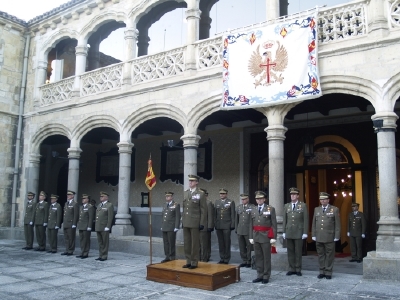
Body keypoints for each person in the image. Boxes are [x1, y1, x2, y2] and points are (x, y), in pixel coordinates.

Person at [312, 192, 341, 279]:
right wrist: (313, 234)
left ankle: (328, 271)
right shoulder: (317, 209)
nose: (323, 201)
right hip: (319, 236)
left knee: (329, 255)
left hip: (329, 236)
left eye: (324, 199)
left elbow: (337, 224)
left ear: (328, 200)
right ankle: (322, 271)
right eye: (321, 199)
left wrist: (337, 235)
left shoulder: (334, 209)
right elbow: (314, 222)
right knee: (320, 254)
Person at [249, 191, 277, 284]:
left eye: (261, 198)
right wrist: (250, 237)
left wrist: (273, 237)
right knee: (258, 257)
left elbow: (274, 224)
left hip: (266, 236)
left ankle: (266, 275)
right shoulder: (253, 209)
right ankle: (259, 275)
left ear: (264, 199)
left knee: (266, 257)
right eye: (257, 199)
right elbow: (250, 224)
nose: (259, 200)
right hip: (256, 235)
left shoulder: (270, 209)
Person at [182, 174, 207, 269]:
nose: (190, 182)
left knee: (194, 244)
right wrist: (182, 220)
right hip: (186, 221)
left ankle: (194, 262)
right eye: (189, 181)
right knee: (187, 243)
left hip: (195, 222)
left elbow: (203, 210)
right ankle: (188, 261)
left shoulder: (200, 193)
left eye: (192, 181)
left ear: (196, 182)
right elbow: (184, 208)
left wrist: (202, 223)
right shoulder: (186, 193)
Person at [282, 187, 309, 276]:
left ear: (298, 196)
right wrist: (284, 231)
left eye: (294, 194)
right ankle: (291, 268)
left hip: (298, 232)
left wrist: (305, 232)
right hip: (289, 231)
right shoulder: (287, 206)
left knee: (298, 252)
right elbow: (285, 219)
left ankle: (298, 269)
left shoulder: (303, 205)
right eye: (291, 194)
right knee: (290, 251)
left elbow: (305, 219)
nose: (292, 196)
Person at [214, 188, 235, 264]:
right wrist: (215, 223)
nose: (222, 195)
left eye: (223, 194)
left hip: (227, 225)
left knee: (226, 242)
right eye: (220, 194)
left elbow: (232, 214)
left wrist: (232, 224)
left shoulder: (230, 202)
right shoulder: (217, 202)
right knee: (220, 242)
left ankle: (226, 258)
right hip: (219, 225)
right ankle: (222, 257)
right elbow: (215, 214)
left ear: (226, 194)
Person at [160, 192, 181, 263]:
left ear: (172, 197)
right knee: (165, 242)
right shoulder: (164, 205)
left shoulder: (176, 205)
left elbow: (178, 216)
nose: (167, 198)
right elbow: (163, 216)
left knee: (171, 242)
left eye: (168, 196)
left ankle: (172, 257)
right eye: (166, 196)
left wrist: (176, 226)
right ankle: (167, 256)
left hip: (171, 227)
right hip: (165, 227)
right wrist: (162, 225)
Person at [235, 193, 254, 268]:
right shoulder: (239, 207)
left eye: (245, 199)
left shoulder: (252, 207)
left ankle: (249, 260)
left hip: (248, 230)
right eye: (242, 199)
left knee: (249, 246)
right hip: (240, 229)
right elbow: (236, 219)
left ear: (248, 199)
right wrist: (236, 228)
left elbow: (252, 219)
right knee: (241, 246)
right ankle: (244, 260)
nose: (243, 201)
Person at [95, 191, 114, 261]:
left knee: (105, 242)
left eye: (102, 196)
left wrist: (108, 226)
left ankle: (104, 255)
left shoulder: (109, 205)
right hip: (99, 226)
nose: (101, 197)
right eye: (100, 196)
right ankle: (100, 255)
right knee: (100, 242)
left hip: (104, 227)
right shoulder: (99, 205)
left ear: (106, 197)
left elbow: (110, 217)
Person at [76, 194, 95, 259]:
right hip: (81, 225)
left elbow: (90, 217)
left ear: (87, 200)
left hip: (86, 226)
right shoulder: (81, 207)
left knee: (86, 240)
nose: (82, 200)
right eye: (82, 199)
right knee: (81, 240)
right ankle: (82, 252)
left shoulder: (90, 207)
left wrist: (89, 226)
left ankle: (85, 253)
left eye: (84, 199)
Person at [62, 190, 79, 256]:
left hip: (71, 223)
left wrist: (74, 223)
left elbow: (76, 214)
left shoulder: (75, 204)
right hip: (66, 223)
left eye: (69, 195)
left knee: (71, 238)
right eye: (67, 195)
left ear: (72, 196)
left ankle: (71, 250)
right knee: (66, 237)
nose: (68, 196)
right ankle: (67, 249)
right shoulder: (66, 203)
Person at [199, 188, 214, 262]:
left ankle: (204, 258)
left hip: (205, 226)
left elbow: (210, 215)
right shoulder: (197, 202)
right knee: (198, 243)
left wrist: (210, 226)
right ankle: (199, 257)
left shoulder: (208, 203)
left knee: (204, 244)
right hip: (197, 226)